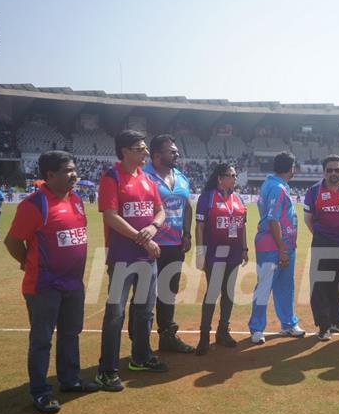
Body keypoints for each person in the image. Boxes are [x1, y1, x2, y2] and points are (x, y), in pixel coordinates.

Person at [4, 151, 99, 414]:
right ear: (50, 175)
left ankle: (69, 380)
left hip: (73, 283)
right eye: (68, 170)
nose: (74, 175)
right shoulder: (34, 205)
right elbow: (12, 241)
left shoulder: (77, 200)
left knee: (70, 334)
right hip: (44, 286)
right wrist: (27, 262)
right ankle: (40, 392)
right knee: (42, 339)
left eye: (74, 169)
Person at [95, 130, 168, 392]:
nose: (146, 152)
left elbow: (160, 210)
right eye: (140, 148)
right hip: (122, 258)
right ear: (125, 151)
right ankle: (106, 370)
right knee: (115, 313)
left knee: (145, 311)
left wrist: (154, 227)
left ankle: (140, 357)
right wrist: (143, 237)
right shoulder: (111, 177)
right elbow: (110, 216)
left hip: (147, 259)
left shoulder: (147, 179)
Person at [131, 134, 194, 353]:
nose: (177, 153)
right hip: (149, 246)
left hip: (175, 246)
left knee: (168, 293)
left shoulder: (182, 177)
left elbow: (187, 206)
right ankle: (140, 345)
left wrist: (187, 234)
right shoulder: (143, 177)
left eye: (176, 150)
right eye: (172, 151)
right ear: (157, 155)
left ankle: (167, 337)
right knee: (143, 297)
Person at [248, 152, 305, 344]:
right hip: (274, 245)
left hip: (284, 244)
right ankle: (257, 328)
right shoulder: (278, 187)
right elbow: (272, 219)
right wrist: (281, 249)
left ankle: (288, 323)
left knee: (285, 286)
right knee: (265, 286)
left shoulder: (270, 184)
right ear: (291, 168)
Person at [303, 155, 339, 341]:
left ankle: (336, 320)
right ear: (324, 171)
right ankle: (324, 326)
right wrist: (320, 236)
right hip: (322, 244)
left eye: (337, 170)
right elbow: (308, 219)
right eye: (329, 170)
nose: (333, 173)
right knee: (320, 286)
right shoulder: (314, 191)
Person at [195, 163, 248, 354]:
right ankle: (203, 337)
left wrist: (245, 248)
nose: (235, 178)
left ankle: (223, 332)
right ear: (220, 178)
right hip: (215, 254)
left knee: (229, 293)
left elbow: (242, 226)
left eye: (235, 175)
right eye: (231, 175)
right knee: (213, 292)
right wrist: (200, 252)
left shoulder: (239, 198)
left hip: (234, 253)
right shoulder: (207, 198)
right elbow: (200, 227)